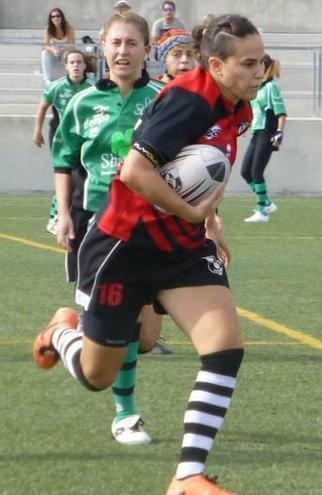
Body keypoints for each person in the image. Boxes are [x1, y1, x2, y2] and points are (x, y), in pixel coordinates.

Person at [33, 12, 261, 494]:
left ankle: (188, 476)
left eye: (261, 61)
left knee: (225, 350)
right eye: (249, 63)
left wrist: (210, 224)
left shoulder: (238, 105)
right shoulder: (187, 101)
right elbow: (135, 172)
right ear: (217, 66)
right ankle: (59, 332)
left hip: (181, 247)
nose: (259, 71)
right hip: (125, 245)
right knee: (97, 375)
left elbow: (203, 174)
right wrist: (193, 214)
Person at [44, 11, 167, 446]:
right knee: (126, 331)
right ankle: (126, 416)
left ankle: (62, 330)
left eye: (132, 43)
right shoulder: (80, 103)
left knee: (149, 338)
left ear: (146, 49)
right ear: (102, 46)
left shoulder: (162, 98)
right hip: (100, 225)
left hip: (152, 224)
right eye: (115, 43)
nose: (123, 51)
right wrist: (62, 215)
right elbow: (64, 162)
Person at [32, 49, 95, 236]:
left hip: (84, 136)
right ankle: (56, 217)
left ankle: (84, 213)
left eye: (79, 62)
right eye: (72, 62)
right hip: (60, 135)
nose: (76, 65)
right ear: (66, 66)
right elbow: (43, 106)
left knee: (82, 174)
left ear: (85, 66)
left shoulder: (94, 87)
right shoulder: (56, 87)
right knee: (64, 173)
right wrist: (37, 130)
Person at [240, 54, 286, 223]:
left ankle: (262, 211)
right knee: (246, 171)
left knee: (256, 171)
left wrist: (279, 132)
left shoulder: (271, 87)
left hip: (268, 132)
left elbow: (281, 112)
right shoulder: (257, 88)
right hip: (257, 131)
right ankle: (265, 202)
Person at [41, 8, 75, 84]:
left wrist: (62, 50)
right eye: (53, 17)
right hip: (54, 52)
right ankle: (48, 79)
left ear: (62, 17)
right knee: (44, 53)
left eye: (58, 16)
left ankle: (69, 78)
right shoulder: (48, 28)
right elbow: (45, 45)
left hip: (66, 51)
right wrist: (53, 50)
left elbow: (72, 44)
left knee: (69, 54)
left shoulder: (68, 27)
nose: (55, 18)